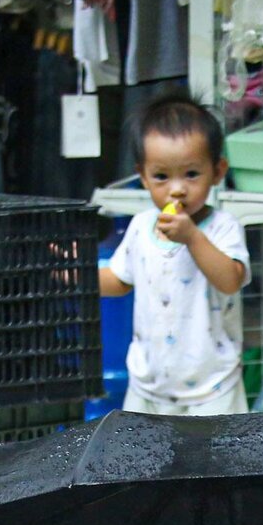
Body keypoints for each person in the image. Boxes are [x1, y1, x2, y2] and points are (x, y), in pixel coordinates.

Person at [99, 96, 251, 416]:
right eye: (162, 177)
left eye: (192, 174)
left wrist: (192, 237)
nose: (177, 190)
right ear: (143, 176)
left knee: (218, 465)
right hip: (148, 385)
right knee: (142, 462)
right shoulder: (141, 227)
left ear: (218, 171)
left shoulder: (223, 227)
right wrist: (73, 273)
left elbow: (230, 280)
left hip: (213, 387)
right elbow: (119, 280)